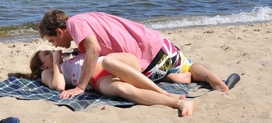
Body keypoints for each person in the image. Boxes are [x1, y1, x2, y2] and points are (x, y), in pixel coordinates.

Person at [39, 10, 229, 98]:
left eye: (52, 41)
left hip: (146, 64)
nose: (57, 46)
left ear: (59, 31)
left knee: (134, 74)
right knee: (189, 64)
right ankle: (211, 79)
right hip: (161, 46)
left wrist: (80, 87)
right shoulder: (88, 17)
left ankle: (176, 78)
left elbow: (94, 50)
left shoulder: (75, 24)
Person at [18, 50, 196, 117]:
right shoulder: (48, 72)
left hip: (108, 62)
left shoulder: (68, 58)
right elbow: (59, 87)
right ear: (42, 65)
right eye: (47, 54)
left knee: (110, 63)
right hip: (97, 80)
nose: (52, 52)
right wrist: (56, 62)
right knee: (119, 89)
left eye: (50, 51)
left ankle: (165, 92)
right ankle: (179, 102)